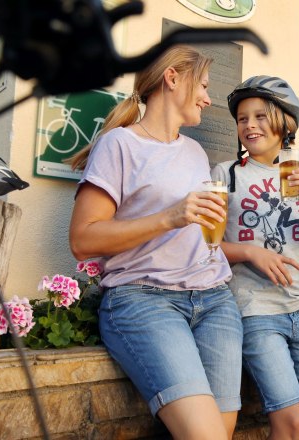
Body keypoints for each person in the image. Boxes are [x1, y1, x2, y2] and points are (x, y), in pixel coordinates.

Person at [68, 45, 243, 440]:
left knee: (220, 432)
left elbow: (196, 237)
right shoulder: (119, 145)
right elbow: (82, 239)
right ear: (172, 78)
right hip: (145, 300)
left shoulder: (196, 152)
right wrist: (170, 216)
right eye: (203, 85)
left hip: (215, 300)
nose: (208, 98)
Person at [211, 76, 299, 440]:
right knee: (291, 421)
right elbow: (207, 247)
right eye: (242, 118)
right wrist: (250, 252)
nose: (249, 125)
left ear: (285, 124)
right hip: (256, 311)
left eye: (261, 116)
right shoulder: (227, 175)